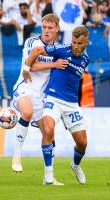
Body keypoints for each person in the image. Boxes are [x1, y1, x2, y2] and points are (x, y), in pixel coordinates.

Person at [23, 26, 90, 185]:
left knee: (82, 143)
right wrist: (26, 68)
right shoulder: (61, 49)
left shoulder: (85, 59)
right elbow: (37, 50)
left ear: (85, 42)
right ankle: (48, 176)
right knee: (48, 129)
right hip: (52, 98)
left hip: (71, 103)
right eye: (73, 42)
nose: (75, 46)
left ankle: (75, 165)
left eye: (79, 43)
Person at [11, 13, 68, 180]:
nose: (46, 31)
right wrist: (54, 64)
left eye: (50, 28)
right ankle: (16, 155)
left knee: (49, 133)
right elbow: (32, 66)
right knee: (26, 113)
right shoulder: (32, 42)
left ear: (57, 29)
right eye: (44, 27)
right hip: (24, 88)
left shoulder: (59, 49)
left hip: (42, 97)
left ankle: (48, 176)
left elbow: (63, 68)